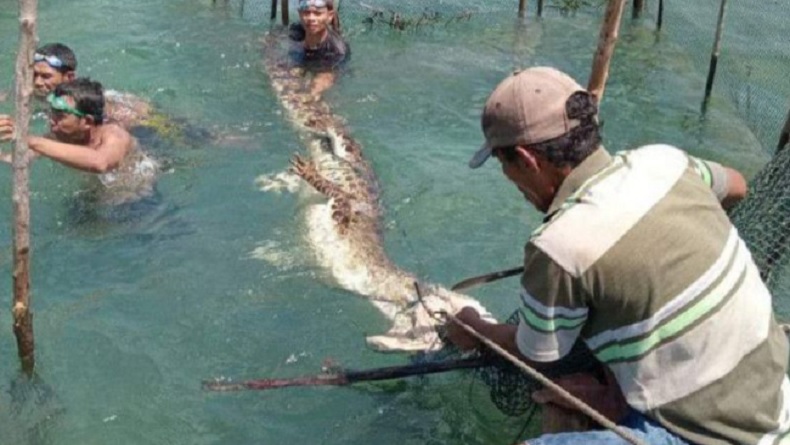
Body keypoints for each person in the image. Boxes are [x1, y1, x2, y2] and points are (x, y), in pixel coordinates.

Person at [446, 67, 789, 445]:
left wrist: (476, 329)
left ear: (527, 160)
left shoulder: (557, 246)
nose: (512, 182)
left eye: (503, 164)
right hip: (776, 401)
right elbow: (737, 186)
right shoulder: (665, 161)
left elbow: (537, 355)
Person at [0, 78, 157, 206]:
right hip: (95, 195)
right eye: (52, 113)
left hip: (135, 200)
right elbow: (16, 160)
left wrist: (27, 139)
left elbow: (100, 163)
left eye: (60, 116)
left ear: (87, 121)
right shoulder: (58, 136)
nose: (51, 119)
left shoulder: (115, 135)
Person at [288, 0, 349, 98]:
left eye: (318, 14)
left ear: (330, 16)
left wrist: (313, 93)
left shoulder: (337, 50)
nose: (311, 18)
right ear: (300, 14)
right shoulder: (295, 31)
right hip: (304, 57)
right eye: (307, 13)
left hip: (325, 62)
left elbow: (328, 75)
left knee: (312, 92)